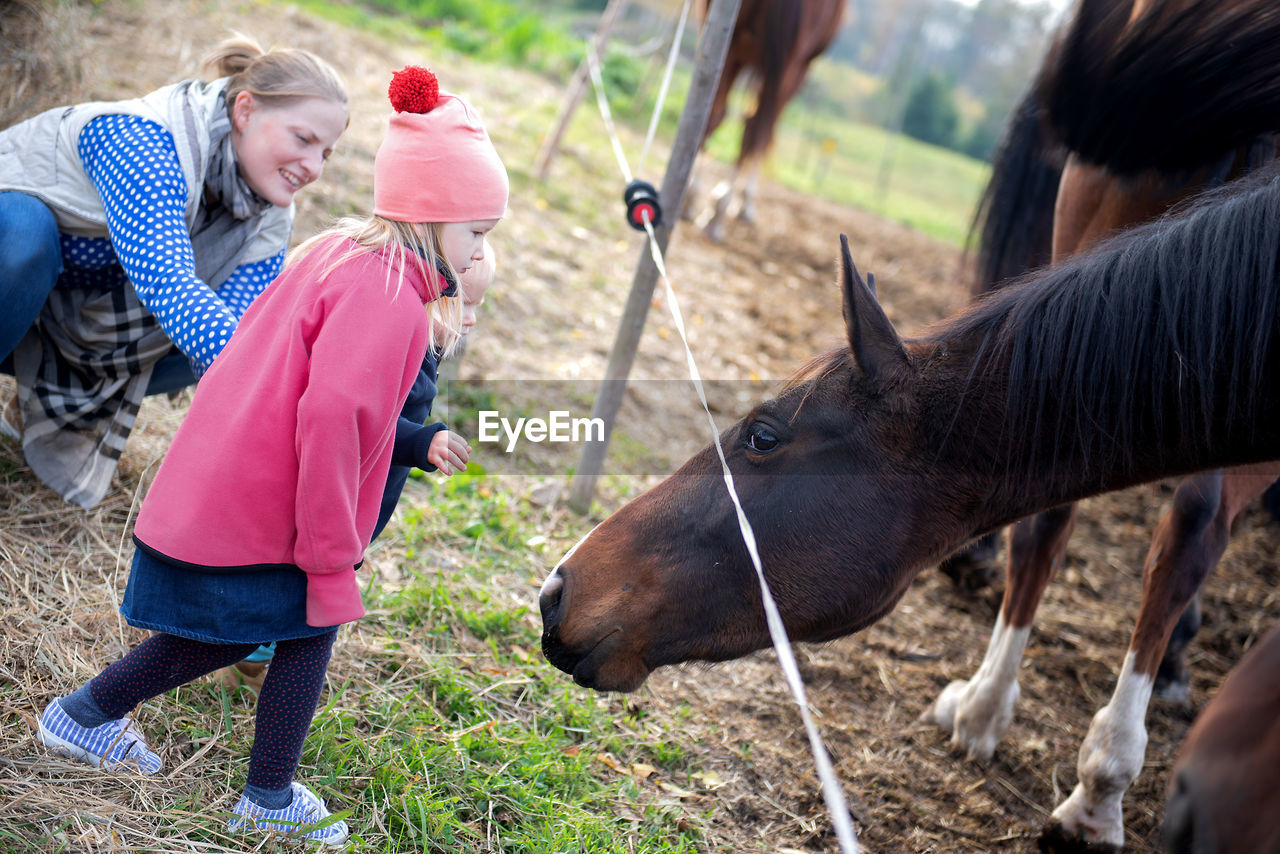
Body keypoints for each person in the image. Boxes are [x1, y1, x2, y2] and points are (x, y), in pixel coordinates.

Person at [34, 64, 508, 844]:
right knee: (251, 628)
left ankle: (242, 778)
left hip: (241, 474)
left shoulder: (343, 252)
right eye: (478, 233)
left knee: (277, 629)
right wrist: (328, 548)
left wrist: (413, 443)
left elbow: (329, 393)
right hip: (274, 502)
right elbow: (330, 415)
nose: (480, 253)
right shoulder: (392, 297)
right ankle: (111, 727)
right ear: (433, 215)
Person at [0, 34, 349, 507]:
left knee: (225, 344)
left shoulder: (268, 216)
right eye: (303, 139)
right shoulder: (144, 140)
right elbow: (167, 281)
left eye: (325, 153)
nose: (312, 168)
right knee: (24, 239)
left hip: (61, 311)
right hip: (15, 276)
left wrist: (314, 414)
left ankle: (34, 400)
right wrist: (286, 398)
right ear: (244, 110)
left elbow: (244, 334)